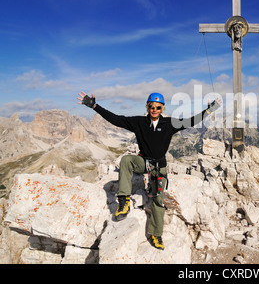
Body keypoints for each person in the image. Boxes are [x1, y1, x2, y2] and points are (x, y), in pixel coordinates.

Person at [77, 91, 221, 250]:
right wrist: (94, 106)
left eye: (158, 107)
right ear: (147, 106)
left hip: (158, 167)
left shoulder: (169, 124)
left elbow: (190, 121)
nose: (154, 109)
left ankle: (155, 234)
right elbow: (116, 119)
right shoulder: (139, 122)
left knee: (158, 200)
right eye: (151, 106)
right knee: (126, 160)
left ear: (162, 108)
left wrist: (209, 110)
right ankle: (124, 201)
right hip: (142, 162)